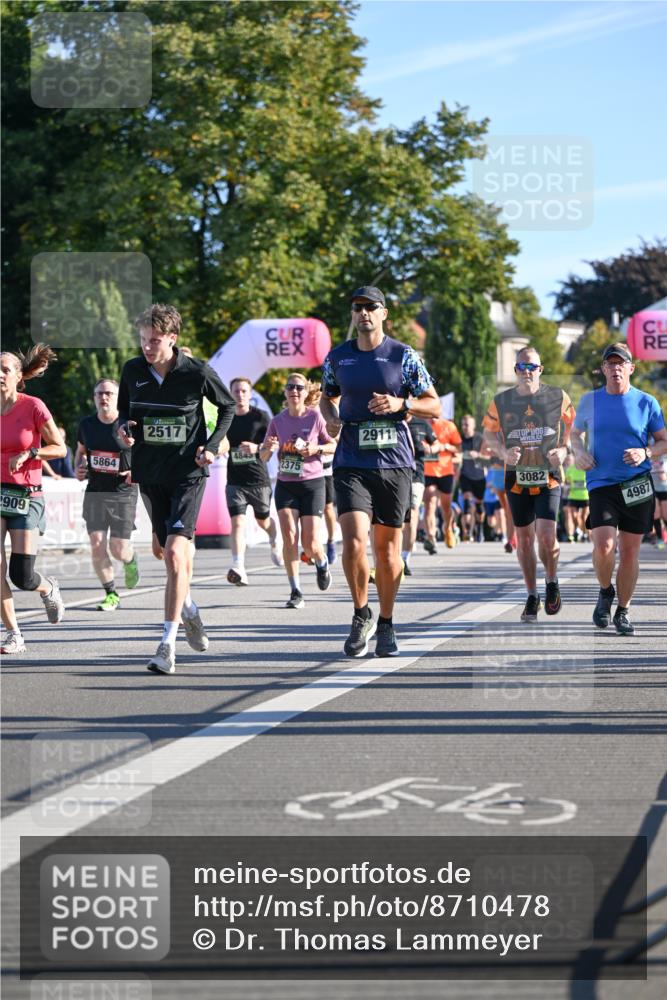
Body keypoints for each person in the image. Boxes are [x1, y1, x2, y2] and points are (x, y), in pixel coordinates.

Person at [320, 285, 440, 657]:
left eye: (370, 307)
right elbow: (327, 396)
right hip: (352, 460)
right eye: (357, 308)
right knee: (354, 540)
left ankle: (386, 621)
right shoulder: (338, 357)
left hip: (395, 462)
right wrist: (331, 418)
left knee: (387, 553)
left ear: (384, 313)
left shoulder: (403, 356)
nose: (363, 313)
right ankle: (361, 613)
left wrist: (400, 402)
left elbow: (433, 405)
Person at [118, 304, 235, 674]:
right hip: (150, 472)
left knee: (173, 554)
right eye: (142, 340)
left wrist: (212, 445)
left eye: (154, 341)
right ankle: (188, 608)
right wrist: (123, 430)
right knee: (161, 551)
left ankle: (167, 645)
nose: (147, 347)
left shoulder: (197, 371)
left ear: (172, 338)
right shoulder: (133, 371)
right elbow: (125, 415)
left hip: (188, 472)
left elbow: (228, 406)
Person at [570, 342, 667, 635]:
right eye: (610, 364)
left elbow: (663, 441)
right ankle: (604, 590)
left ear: (631, 369)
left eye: (620, 363)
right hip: (602, 483)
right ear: (603, 369)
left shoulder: (646, 402)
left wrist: (646, 453)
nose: (615, 368)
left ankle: (623, 610)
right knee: (603, 545)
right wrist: (579, 452)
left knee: (629, 552)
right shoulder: (589, 400)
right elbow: (575, 434)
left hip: (636, 484)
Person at [483, 346, 575, 622]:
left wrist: (565, 450)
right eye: (521, 367)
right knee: (524, 541)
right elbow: (488, 435)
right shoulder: (501, 401)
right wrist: (502, 453)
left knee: (547, 536)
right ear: (515, 371)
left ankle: (552, 580)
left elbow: (574, 428)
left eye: (531, 366)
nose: (527, 372)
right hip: (516, 478)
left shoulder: (558, 397)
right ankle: (532, 594)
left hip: (548, 475)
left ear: (540, 369)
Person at [1, 345, 66, 654]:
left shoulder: (34, 407)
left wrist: (30, 453)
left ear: (18, 376)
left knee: (22, 576)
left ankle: (47, 587)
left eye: (4, 370)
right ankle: (14, 633)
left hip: (26, 495)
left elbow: (61, 448)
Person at [259, 373, 335, 608]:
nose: (294, 391)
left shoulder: (315, 418)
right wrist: (268, 449)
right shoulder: (277, 421)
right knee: (289, 537)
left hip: (313, 483)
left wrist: (315, 449)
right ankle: (296, 591)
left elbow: (333, 445)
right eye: (290, 387)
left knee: (311, 543)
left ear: (305, 392)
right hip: (286, 484)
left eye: (299, 387)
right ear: (285, 392)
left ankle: (321, 563)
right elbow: (263, 455)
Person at [74, 378, 140, 611]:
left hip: (123, 491)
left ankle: (130, 560)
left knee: (118, 548)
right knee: (97, 544)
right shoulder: (86, 425)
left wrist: (137, 471)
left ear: (118, 397)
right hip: (95, 491)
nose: (104, 397)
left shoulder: (129, 423)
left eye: (109, 394)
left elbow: (148, 452)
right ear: (94, 397)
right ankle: (111, 593)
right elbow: (81, 451)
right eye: (99, 393)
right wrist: (78, 469)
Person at [219, 376, 282, 586]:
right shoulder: (226, 418)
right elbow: (222, 442)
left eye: (244, 391)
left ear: (250, 394)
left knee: (262, 521)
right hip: (235, 480)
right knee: (237, 522)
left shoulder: (261, 418)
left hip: (258, 480)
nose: (240, 395)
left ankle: (275, 538)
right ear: (230, 394)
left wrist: (257, 448)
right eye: (236, 391)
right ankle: (238, 566)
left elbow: (269, 450)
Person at [402, 414, 436, 574]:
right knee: (398, 518)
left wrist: (431, 448)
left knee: (413, 513)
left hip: (416, 476)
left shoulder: (422, 423)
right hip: (395, 474)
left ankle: (404, 558)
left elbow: (437, 444)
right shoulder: (392, 420)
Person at [422, 416, 461, 551]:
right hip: (427, 471)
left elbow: (458, 448)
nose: (431, 416)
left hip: (445, 471)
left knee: (446, 507)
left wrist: (445, 446)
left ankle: (448, 527)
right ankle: (430, 537)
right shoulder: (421, 425)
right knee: (429, 503)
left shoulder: (449, 426)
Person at [457, 414, 487, 543]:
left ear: (473, 426)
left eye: (467, 424)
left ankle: (479, 527)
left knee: (479, 506)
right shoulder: (459, 439)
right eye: (463, 424)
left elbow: (489, 457)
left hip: (479, 476)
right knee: (467, 501)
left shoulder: (480, 438)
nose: (464, 427)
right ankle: (468, 531)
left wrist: (478, 455)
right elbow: (456, 454)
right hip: (465, 476)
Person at [562, 453, 589, 543]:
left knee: (584, 517)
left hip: (586, 496)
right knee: (574, 516)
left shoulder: (586, 468)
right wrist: (567, 486)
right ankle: (575, 533)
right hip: (573, 496)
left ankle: (584, 534)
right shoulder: (570, 469)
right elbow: (566, 481)